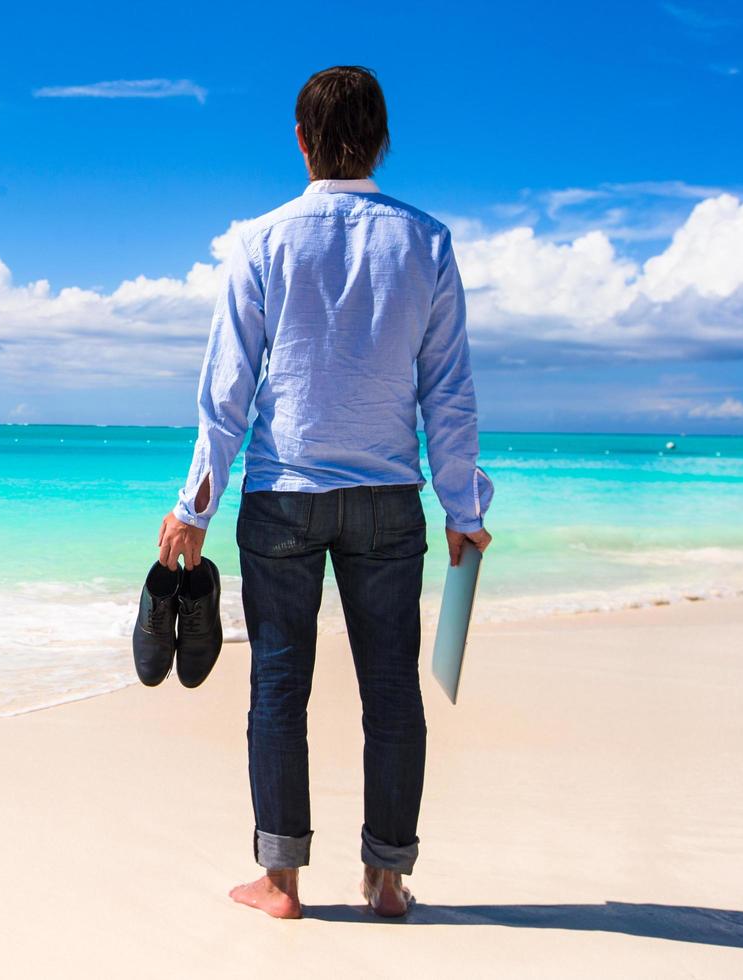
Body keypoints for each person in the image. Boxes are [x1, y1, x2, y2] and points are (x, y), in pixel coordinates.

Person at [155, 65, 493, 919]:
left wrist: (194, 505)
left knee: (278, 688)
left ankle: (280, 883)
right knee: (393, 691)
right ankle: (385, 878)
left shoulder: (263, 240)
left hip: (283, 499)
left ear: (301, 141)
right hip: (388, 498)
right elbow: (446, 391)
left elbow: (225, 389)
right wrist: (465, 510)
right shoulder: (428, 243)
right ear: (381, 139)